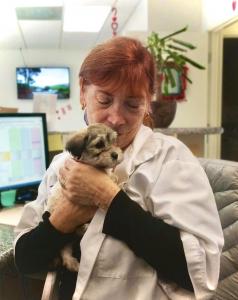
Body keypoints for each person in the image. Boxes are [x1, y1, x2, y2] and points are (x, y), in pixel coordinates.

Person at [14, 36, 224, 300]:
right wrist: (63, 220)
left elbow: (200, 273)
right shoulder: (61, 165)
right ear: (82, 91)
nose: (116, 118)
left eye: (133, 105)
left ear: (147, 103)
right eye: (104, 100)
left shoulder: (171, 160)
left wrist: (108, 199)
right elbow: (25, 260)